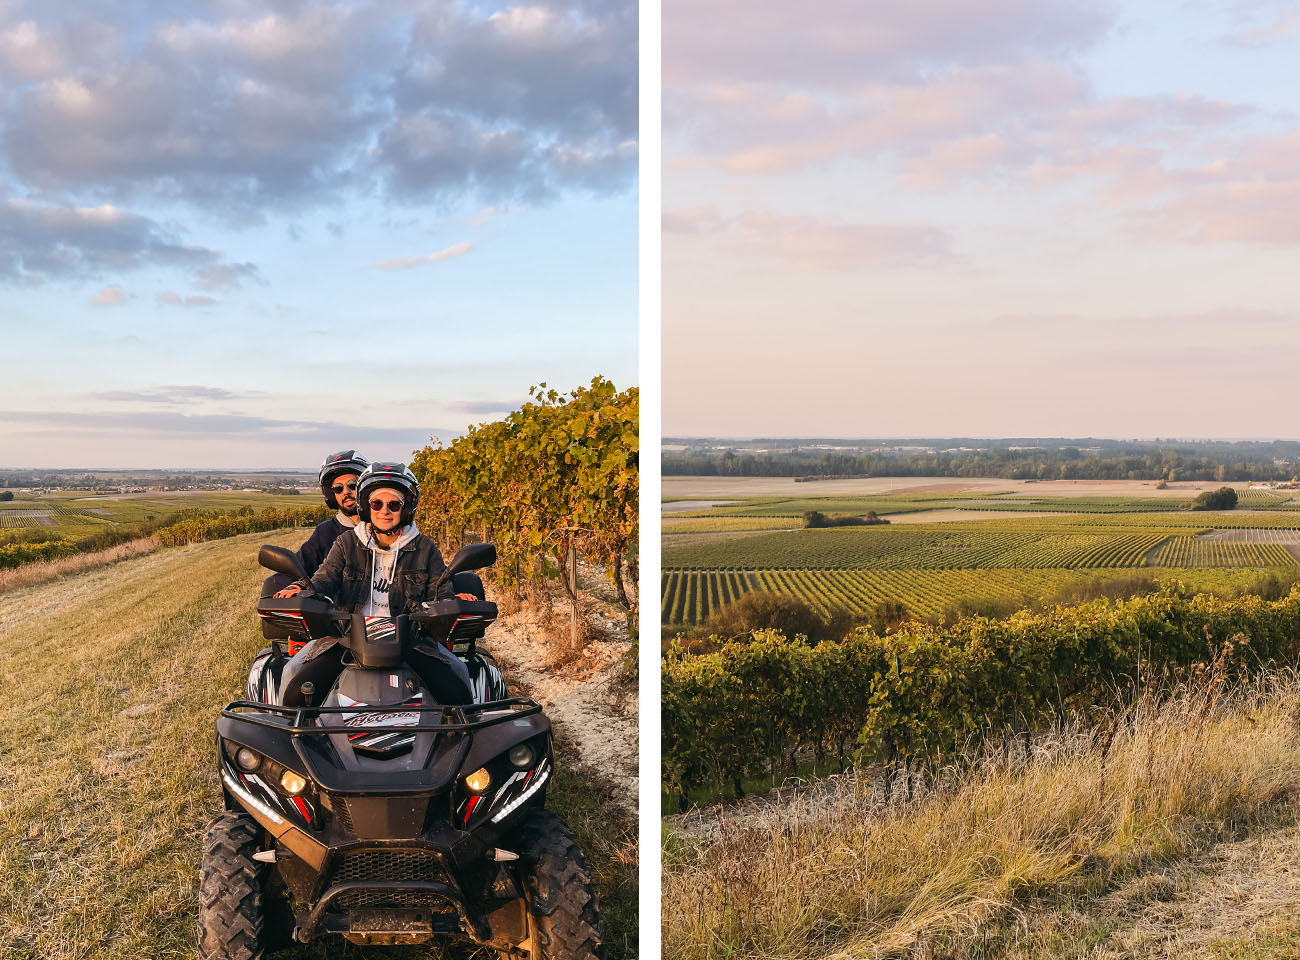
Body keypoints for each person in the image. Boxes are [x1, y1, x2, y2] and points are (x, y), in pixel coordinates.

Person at [273, 462, 474, 705]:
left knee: (458, 688)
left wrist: (453, 602)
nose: (384, 511)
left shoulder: (424, 547)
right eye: (377, 504)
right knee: (294, 685)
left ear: (407, 508)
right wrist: (303, 591)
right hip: (347, 639)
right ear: (366, 507)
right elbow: (324, 579)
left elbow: (440, 591)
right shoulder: (346, 543)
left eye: (394, 505)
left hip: (410, 641)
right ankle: (290, 737)